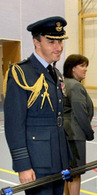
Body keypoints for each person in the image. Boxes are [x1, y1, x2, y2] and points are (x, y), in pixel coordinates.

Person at [3, 16, 71, 194]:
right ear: (36, 42)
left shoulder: (55, 72)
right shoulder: (21, 73)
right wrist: (23, 165)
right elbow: (14, 124)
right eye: (51, 42)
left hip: (58, 157)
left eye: (60, 41)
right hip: (37, 161)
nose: (58, 47)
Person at [62, 54, 94, 195]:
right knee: (76, 173)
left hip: (66, 133)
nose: (85, 69)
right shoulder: (75, 86)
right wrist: (89, 133)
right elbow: (80, 113)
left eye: (86, 65)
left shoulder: (65, 83)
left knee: (67, 172)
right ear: (72, 68)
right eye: (81, 66)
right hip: (75, 134)